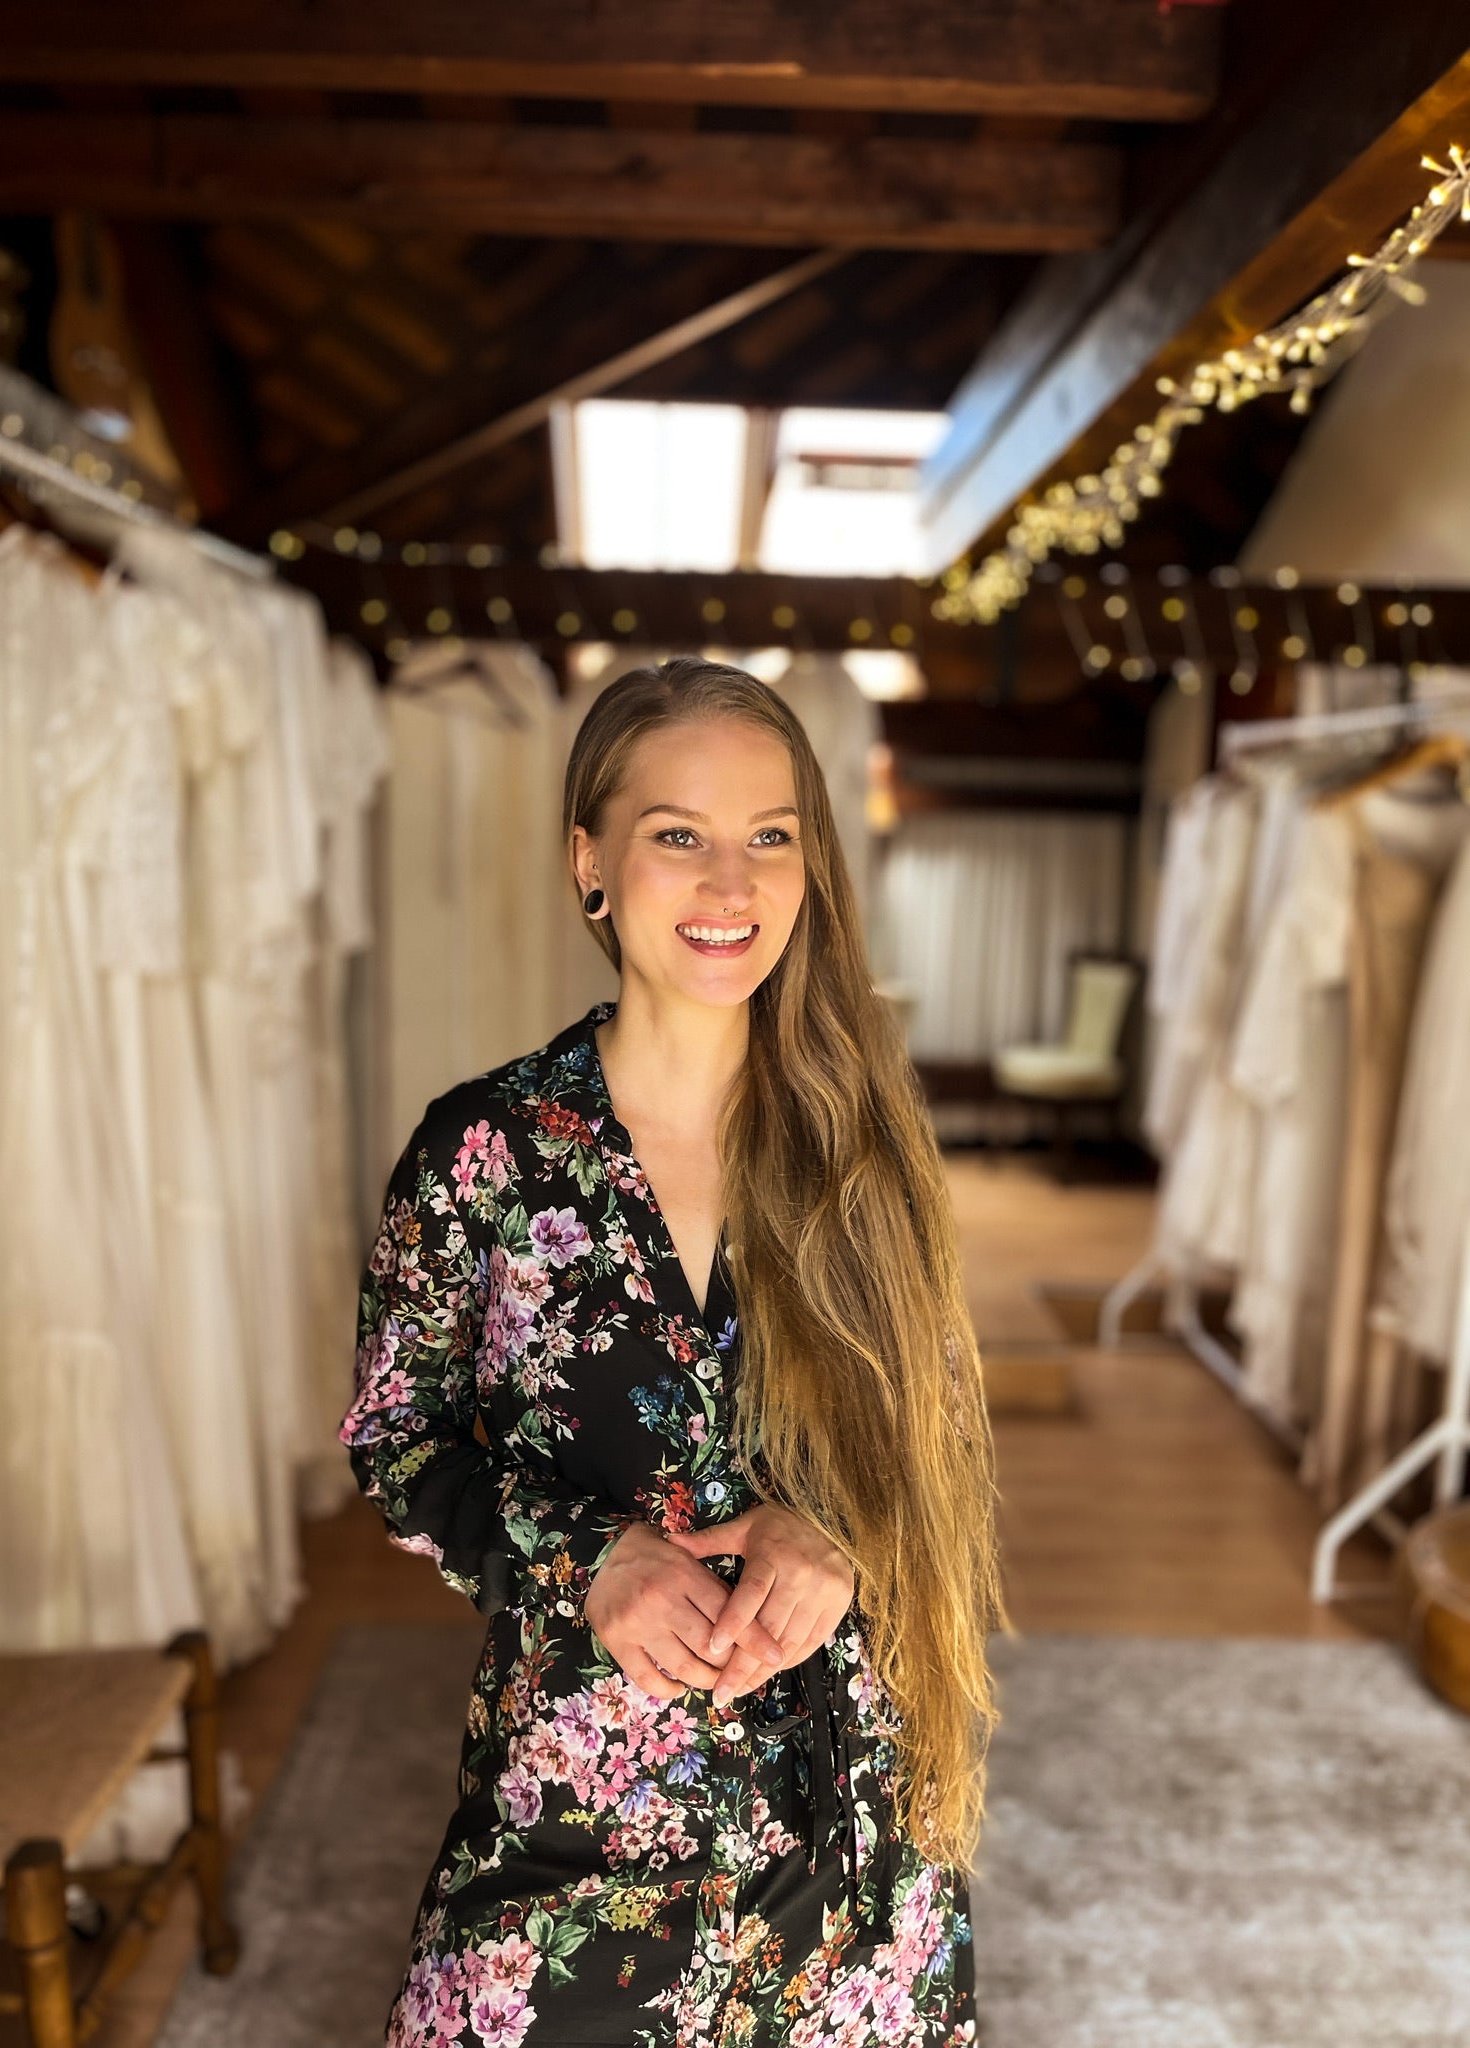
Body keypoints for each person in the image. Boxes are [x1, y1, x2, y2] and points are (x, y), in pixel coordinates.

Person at [342, 655, 1002, 2048]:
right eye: (677, 835)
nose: (731, 883)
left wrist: (840, 1538)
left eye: (771, 834)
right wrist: (593, 1556)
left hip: (846, 1823)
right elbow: (397, 1443)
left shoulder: (868, 1147)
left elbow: (936, 1442)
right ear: (590, 862)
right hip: (575, 1814)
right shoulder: (486, 1152)